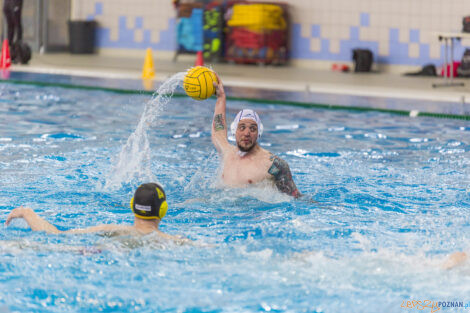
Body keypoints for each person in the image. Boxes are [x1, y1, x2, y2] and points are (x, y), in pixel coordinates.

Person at [211, 74, 300, 198]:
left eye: (252, 129)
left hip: (252, 215)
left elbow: (296, 199)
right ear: (234, 130)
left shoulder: (273, 165)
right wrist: (221, 98)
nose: (247, 133)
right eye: (242, 127)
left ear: (259, 133)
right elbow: (218, 132)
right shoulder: (227, 153)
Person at [5, 183, 183, 241]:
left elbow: (57, 235)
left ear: (132, 205)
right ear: (163, 210)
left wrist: (27, 213)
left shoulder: (112, 230)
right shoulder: (176, 241)